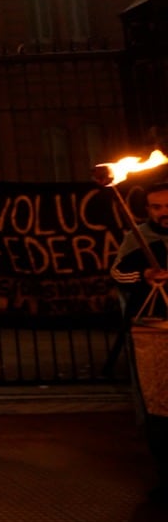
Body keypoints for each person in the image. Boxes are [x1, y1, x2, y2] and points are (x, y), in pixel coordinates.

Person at [111, 180, 168, 503]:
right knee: (159, 405)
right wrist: (145, 275)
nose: (163, 213)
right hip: (153, 331)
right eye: (156, 207)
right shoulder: (137, 239)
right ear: (147, 210)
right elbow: (118, 274)